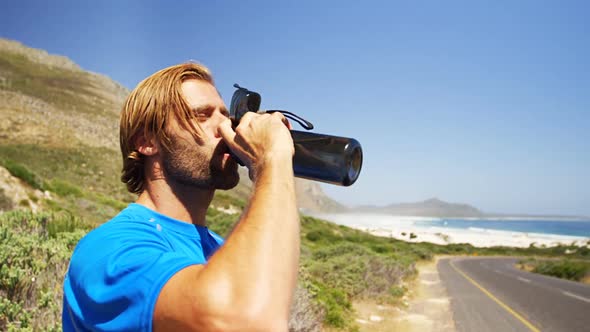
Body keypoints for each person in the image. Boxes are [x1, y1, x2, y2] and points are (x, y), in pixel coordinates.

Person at [62, 63, 300, 331]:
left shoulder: (221, 248)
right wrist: (271, 159)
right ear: (148, 142)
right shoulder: (110, 249)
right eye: (201, 115)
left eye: (225, 115)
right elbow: (241, 319)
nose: (226, 127)